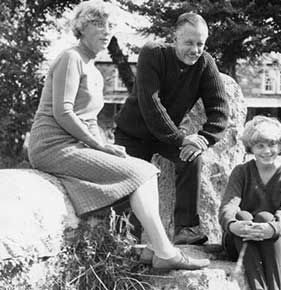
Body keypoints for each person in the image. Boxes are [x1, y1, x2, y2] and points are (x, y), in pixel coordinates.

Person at [27, 0, 209, 270]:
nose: (106, 31)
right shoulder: (71, 58)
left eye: (110, 25)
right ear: (81, 28)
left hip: (74, 146)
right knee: (143, 172)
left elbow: (88, 120)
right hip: (52, 146)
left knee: (144, 170)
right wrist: (98, 145)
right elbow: (63, 113)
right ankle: (164, 251)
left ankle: (153, 248)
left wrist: (105, 148)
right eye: (98, 24)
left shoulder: (94, 70)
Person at [114, 12, 229, 245]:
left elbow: (220, 111)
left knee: (191, 158)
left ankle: (186, 228)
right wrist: (181, 139)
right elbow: (151, 105)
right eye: (189, 42)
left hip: (167, 137)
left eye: (200, 44)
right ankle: (125, 240)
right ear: (174, 37)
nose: (195, 49)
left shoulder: (205, 63)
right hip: (133, 133)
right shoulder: (152, 53)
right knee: (130, 181)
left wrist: (202, 140)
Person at [219, 116, 281, 290]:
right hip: (241, 239)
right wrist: (234, 225)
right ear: (251, 147)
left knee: (265, 217)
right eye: (260, 146)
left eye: (272, 144)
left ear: (280, 145)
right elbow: (228, 205)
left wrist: (270, 229)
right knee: (242, 215)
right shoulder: (241, 172)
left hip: (280, 242)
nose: (267, 151)